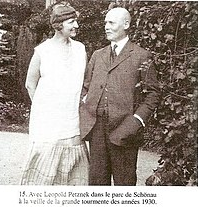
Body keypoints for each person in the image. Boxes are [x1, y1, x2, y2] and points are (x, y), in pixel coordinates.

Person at [80, 7, 160, 186]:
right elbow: (85, 88)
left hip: (125, 130)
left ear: (126, 24)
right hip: (97, 130)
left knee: (125, 185)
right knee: (97, 186)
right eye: (105, 23)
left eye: (111, 23)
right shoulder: (97, 55)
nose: (106, 27)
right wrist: (87, 111)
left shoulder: (141, 56)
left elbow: (153, 94)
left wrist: (136, 121)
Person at [21, 2, 89, 185]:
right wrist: (43, 110)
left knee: (74, 176)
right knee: (44, 176)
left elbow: (85, 83)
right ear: (59, 25)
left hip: (73, 118)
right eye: (72, 22)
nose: (76, 26)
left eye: (76, 21)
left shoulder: (80, 49)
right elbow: (30, 84)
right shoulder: (43, 51)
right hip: (48, 121)